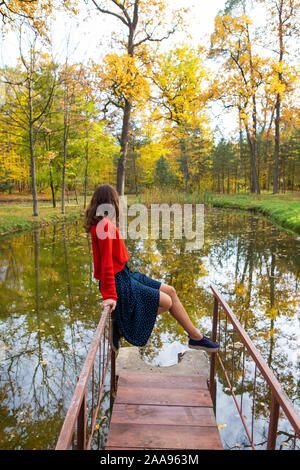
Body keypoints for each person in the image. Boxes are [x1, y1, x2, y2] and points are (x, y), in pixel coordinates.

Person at [85, 184, 219, 353]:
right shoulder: (104, 225)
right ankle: (123, 323)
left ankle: (195, 337)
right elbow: (106, 264)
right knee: (166, 302)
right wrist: (110, 296)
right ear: (112, 201)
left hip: (126, 274)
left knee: (170, 291)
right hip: (119, 281)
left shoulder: (104, 223)